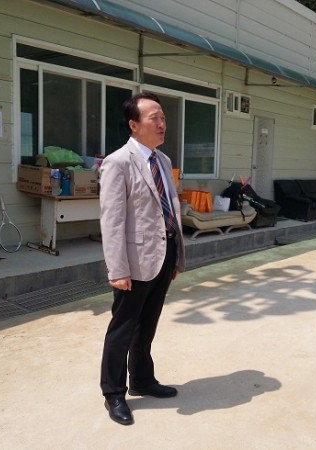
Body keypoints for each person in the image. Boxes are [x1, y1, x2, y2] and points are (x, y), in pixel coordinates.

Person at [99, 92, 186, 426]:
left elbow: (169, 209)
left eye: (163, 117)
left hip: (163, 254)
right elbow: (112, 220)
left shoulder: (162, 160)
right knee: (122, 329)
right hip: (133, 262)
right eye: (154, 118)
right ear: (134, 125)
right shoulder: (118, 162)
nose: (162, 124)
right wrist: (117, 269)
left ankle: (142, 379)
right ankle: (113, 392)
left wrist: (175, 256)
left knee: (147, 324)